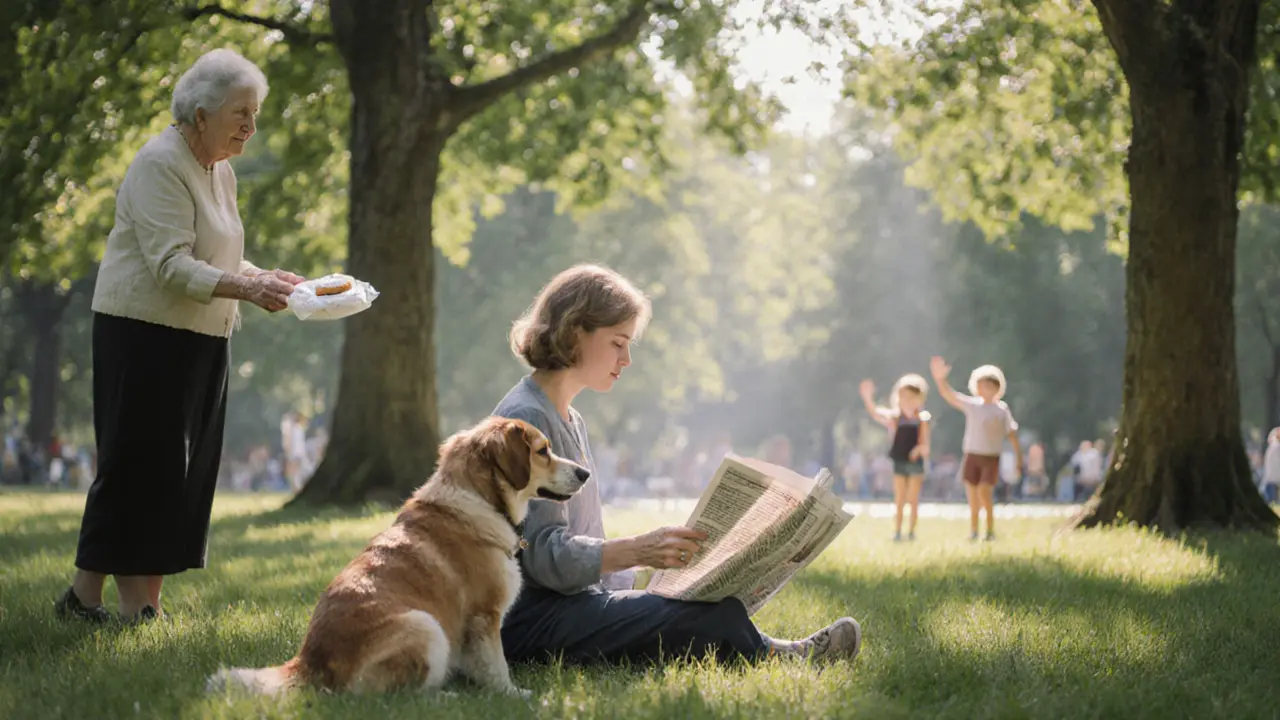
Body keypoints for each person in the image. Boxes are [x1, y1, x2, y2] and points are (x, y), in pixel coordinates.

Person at [493, 264, 862, 666]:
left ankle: (772, 648)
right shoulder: (527, 419)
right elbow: (544, 559)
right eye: (618, 342)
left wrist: (650, 581)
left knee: (701, 604)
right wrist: (638, 550)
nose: (627, 358)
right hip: (532, 622)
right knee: (699, 619)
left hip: (569, 605)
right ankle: (785, 657)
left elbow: (579, 544)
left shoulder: (569, 418)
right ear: (576, 330)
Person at [54, 49, 305, 624]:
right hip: (142, 335)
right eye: (241, 112)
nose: (251, 125)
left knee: (179, 476)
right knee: (140, 468)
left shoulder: (221, 170)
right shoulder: (160, 164)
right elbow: (170, 264)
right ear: (200, 115)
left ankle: (90, 600)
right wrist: (246, 289)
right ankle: (133, 607)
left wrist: (265, 278)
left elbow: (219, 256)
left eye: (256, 112)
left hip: (200, 337)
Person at [930, 356, 1021, 541]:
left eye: (989, 386)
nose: (985, 390)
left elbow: (1011, 435)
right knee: (972, 495)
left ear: (998, 388)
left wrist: (1019, 459)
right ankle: (973, 530)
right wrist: (940, 379)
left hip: (990, 457)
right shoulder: (972, 405)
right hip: (972, 455)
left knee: (984, 492)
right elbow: (950, 395)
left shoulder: (1001, 410)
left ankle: (989, 530)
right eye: (982, 385)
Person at [858, 375, 931, 541]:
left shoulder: (922, 418)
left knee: (912, 499)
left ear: (919, 398)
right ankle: (897, 531)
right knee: (899, 498)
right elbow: (876, 413)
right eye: (903, 396)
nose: (907, 400)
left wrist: (918, 450)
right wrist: (868, 398)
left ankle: (911, 531)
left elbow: (926, 445)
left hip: (915, 463)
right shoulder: (896, 417)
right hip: (899, 460)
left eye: (911, 397)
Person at [1263, 428, 1280, 504]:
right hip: (1274, 482)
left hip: (1271, 481)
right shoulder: (1276, 447)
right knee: (1273, 503)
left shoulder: (1272, 447)